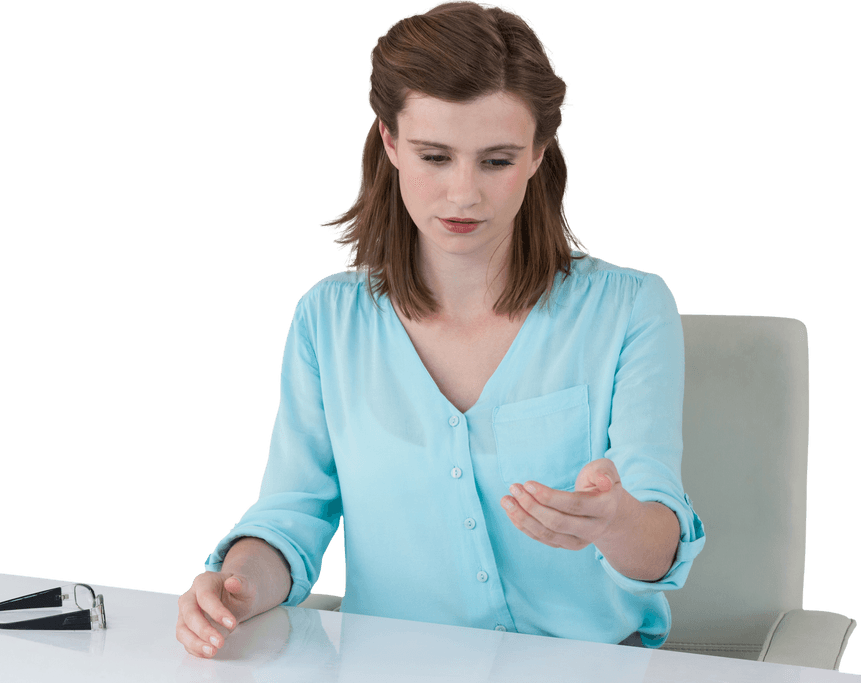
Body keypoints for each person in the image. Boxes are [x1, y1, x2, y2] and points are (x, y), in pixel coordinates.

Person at [176, 0, 705, 659]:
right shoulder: (328, 320)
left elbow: (657, 541)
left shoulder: (631, 308)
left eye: (496, 161)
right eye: (435, 156)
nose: (463, 195)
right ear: (391, 142)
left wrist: (616, 521)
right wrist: (237, 585)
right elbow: (292, 517)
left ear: (539, 152)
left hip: (590, 664)